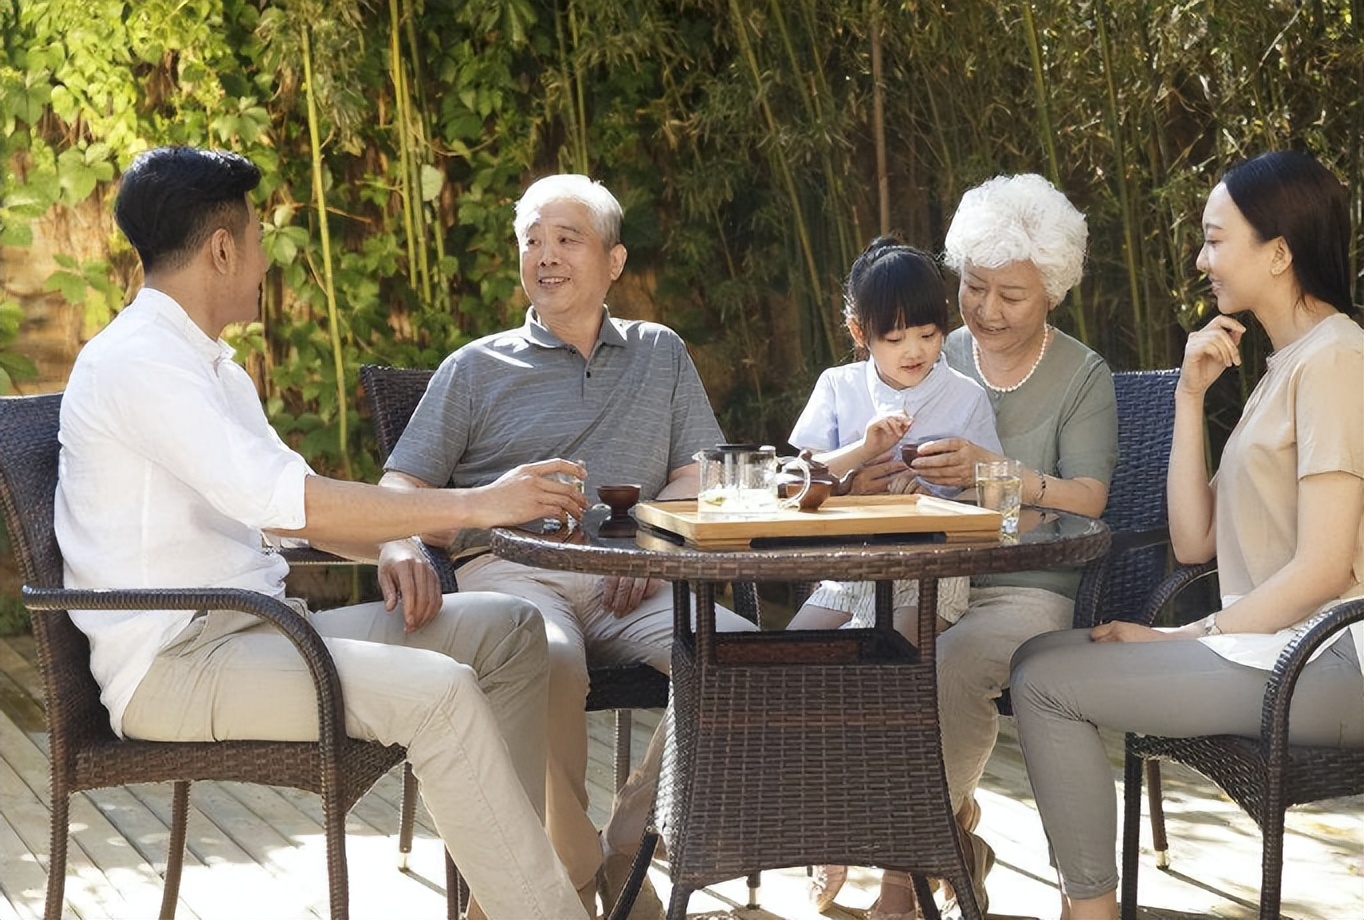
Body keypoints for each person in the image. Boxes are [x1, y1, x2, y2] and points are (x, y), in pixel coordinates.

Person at [54, 146, 588, 919]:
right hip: (179, 666)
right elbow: (291, 504)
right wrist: (475, 505)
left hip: (264, 634)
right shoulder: (138, 364)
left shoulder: (213, 370)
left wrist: (396, 544)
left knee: (507, 630)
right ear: (222, 248)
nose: (269, 260)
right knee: (438, 696)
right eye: (260, 238)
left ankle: (502, 903)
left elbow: (293, 506)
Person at [378, 173, 757, 918]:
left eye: (566, 239)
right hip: (517, 575)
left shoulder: (660, 353)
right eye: (532, 240)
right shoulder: (476, 366)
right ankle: (573, 861)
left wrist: (648, 543)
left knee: (742, 663)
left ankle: (625, 839)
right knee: (544, 658)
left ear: (614, 262)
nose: (545, 256)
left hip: (636, 576)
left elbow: (701, 474)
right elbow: (401, 485)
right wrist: (395, 538)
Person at [1010, 150, 1364, 920]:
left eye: (1214, 238)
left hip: (1332, 658)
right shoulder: (1280, 367)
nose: (1201, 259)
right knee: (1034, 658)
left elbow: (1327, 566)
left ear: (1279, 251)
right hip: (1276, 646)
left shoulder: (1337, 359)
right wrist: (1188, 396)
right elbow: (1194, 541)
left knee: (1045, 683)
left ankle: (1090, 913)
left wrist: (1183, 636)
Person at [814, 174, 1116, 919]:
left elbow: (1089, 499)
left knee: (942, 666)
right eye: (974, 288)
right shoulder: (923, 345)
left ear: (1052, 288)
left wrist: (1005, 477)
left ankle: (902, 875)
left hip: (1022, 585)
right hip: (903, 570)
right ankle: (934, 835)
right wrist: (865, 481)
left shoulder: (1082, 376)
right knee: (817, 654)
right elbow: (833, 454)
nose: (985, 310)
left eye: (1010, 295)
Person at [790, 237, 1003, 916]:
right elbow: (792, 485)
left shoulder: (964, 397)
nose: (914, 349)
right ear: (860, 333)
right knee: (784, 671)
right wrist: (860, 459)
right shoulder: (839, 387)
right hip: (848, 574)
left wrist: (956, 479)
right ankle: (831, 828)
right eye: (895, 336)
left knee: (887, 679)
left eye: (929, 332)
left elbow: (992, 505)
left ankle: (881, 856)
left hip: (932, 574)